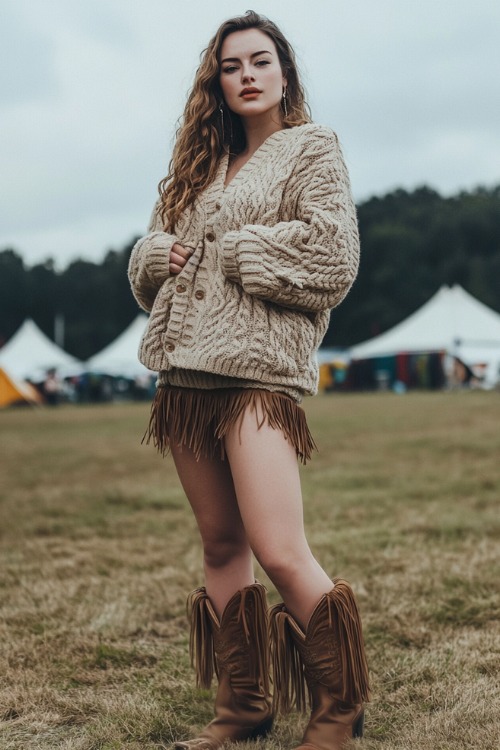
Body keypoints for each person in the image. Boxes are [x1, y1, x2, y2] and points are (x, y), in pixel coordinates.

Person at [128, 10, 369, 750]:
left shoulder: (312, 149)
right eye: (231, 67)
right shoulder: (202, 165)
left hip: (258, 375)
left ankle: (340, 704)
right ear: (218, 82)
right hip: (184, 379)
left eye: (260, 61)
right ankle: (243, 710)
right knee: (220, 545)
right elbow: (158, 269)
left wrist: (245, 248)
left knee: (278, 545)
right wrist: (150, 256)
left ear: (285, 72)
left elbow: (336, 256)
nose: (247, 76)